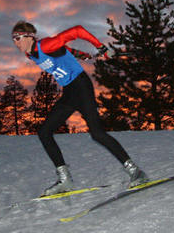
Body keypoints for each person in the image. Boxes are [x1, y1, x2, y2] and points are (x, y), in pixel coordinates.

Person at [11, 21, 148, 196]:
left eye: (18, 38)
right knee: (44, 132)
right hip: (69, 92)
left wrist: (101, 47)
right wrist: (80, 54)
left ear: (30, 37)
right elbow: (63, 50)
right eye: (13, 39)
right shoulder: (31, 54)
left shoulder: (44, 45)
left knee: (97, 134)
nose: (16, 42)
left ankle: (136, 172)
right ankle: (65, 180)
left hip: (81, 87)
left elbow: (77, 30)